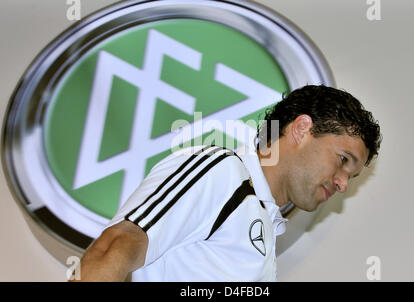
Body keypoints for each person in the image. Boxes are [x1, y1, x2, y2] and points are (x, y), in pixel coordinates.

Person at [74, 85, 381, 282]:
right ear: (301, 130)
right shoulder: (223, 172)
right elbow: (114, 248)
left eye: (352, 178)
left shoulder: (264, 222)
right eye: (343, 160)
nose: (343, 184)